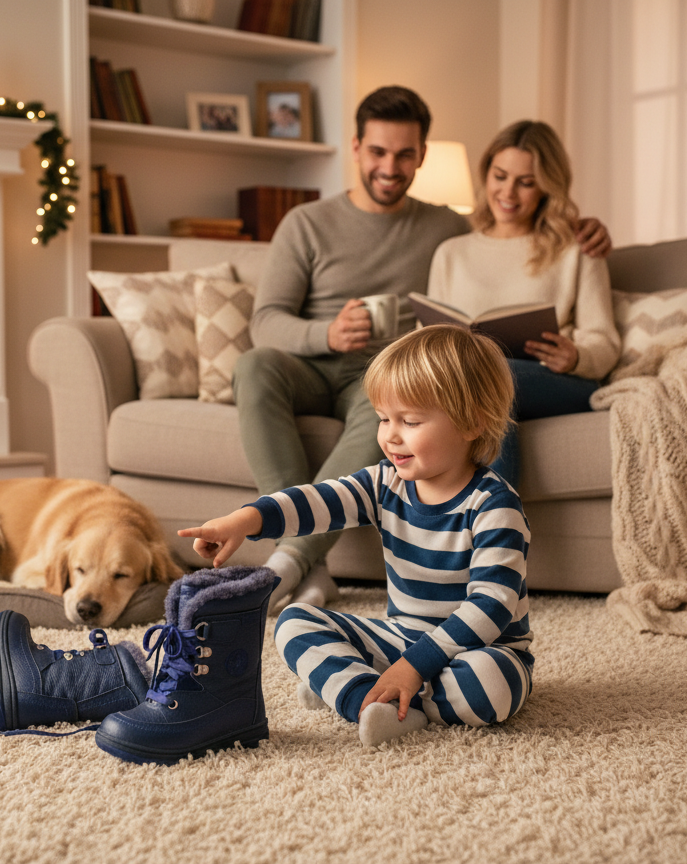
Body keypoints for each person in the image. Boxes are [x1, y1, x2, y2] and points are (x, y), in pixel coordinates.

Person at [234, 86, 610, 612]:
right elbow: (265, 321)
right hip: (307, 366)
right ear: (357, 148)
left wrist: (585, 227)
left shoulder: (445, 227)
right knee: (254, 367)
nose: (390, 166)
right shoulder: (307, 223)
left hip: (384, 377)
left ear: (422, 157)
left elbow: (507, 234)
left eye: (405, 154)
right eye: (379, 152)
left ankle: (298, 562)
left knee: (393, 406)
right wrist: (326, 333)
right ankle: (305, 558)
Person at [180, 325, 531, 747]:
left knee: (492, 687)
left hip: (483, 649)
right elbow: (315, 502)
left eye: (411, 421)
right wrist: (244, 520)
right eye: (384, 419)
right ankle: (371, 697)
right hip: (401, 636)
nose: (390, 435)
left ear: (472, 422)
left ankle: (363, 690)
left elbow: (491, 608)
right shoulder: (385, 483)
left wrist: (414, 667)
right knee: (293, 623)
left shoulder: (495, 506)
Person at [426, 120, 621, 488]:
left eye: (526, 182)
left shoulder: (577, 249)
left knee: (496, 375)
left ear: (546, 187)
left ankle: (490, 533)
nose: (508, 192)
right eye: (500, 176)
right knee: (482, 389)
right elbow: (430, 337)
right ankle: (488, 539)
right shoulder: (451, 254)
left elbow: (605, 343)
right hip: (474, 383)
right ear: (486, 174)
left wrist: (576, 356)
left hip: (555, 380)